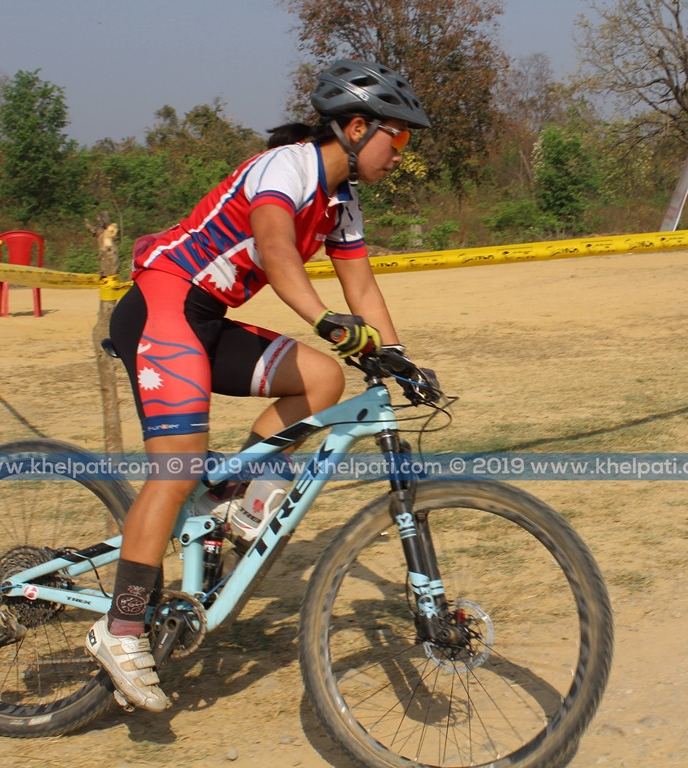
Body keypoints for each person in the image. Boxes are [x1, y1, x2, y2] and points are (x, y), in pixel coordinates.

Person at [85, 59, 432, 712]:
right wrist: (327, 321)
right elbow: (275, 252)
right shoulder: (288, 169)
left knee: (323, 379)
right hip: (163, 306)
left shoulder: (340, 203)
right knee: (178, 468)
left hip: (204, 321)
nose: (401, 154)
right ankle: (123, 625)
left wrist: (399, 357)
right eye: (400, 136)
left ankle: (235, 498)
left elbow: (363, 286)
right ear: (357, 128)